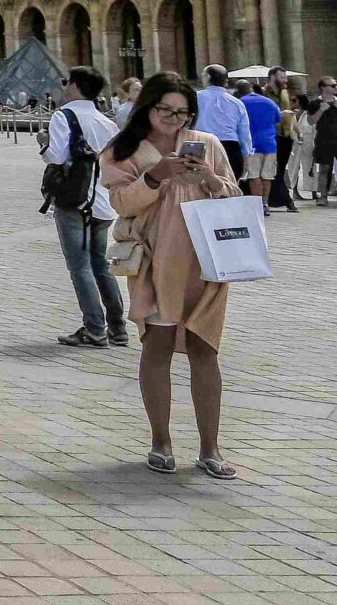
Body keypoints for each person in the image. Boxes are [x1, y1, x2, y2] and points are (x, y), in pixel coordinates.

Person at [100, 72, 240, 479]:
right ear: (148, 106)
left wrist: (209, 179)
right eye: (165, 110)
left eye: (182, 113)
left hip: (206, 260)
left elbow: (233, 196)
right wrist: (155, 176)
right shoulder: (122, 150)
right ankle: (160, 441)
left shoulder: (207, 144)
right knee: (157, 346)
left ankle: (210, 447)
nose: (174, 119)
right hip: (156, 261)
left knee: (205, 348)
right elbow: (121, 203)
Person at [43, 66, 125, 349]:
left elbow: (56, 156)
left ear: (75, 86)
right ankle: (118, 328)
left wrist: (43, 145)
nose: (64, 86)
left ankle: (94, 329)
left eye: (66, 82)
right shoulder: (107, 122)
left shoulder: (63, 116)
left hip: (74, 200)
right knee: (100, 264)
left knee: (79, 267)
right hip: (103, 201)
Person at [193, 65, 249, 178]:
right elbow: (244, 132)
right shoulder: (237, 103)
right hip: (231, 146)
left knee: (200, 184)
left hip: (203, 144)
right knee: (230, 184)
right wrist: (246, 156)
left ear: (208, 77)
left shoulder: (195, 98)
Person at [237, 76, 282, 207]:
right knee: (267, 176)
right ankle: (265, 203)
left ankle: (257, 205)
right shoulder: (269, 102)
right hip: (269, 143)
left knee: (254, 175)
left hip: (251, 144)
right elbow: (278, 120)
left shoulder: (240, 102)